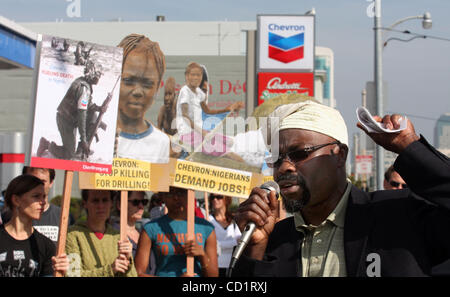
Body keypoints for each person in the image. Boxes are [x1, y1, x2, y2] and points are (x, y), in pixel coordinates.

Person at [231, 100, 450, 277]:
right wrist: (256, 248)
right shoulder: (273, 239)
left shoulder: (399, 216)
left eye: (300, 154)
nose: (285, 167)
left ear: (339, 155)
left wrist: (410, 147)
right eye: (277, 159)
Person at [134, 186, 218, 277]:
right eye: (170, 193)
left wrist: (202, 255)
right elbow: (138, 273)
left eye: (181, 192)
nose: (176, 197)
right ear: (163, 196)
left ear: (190, 194)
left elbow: (213, 275)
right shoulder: (151, 228)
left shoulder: (206, 227)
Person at [115, 34, 170, 163]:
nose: (138, 92)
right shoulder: (95, 137)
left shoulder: (160, 143)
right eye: (128, 81)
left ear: (157, 88)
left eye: (147, 84)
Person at [36, 61, 107, 160]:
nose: (99, 78)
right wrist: (84, 140)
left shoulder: (83, 82)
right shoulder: (84, 89)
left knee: (93, 116)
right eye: (98, 75)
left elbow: (87, 104)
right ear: (92, 74)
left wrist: (98, 108)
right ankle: (46, 144)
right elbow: (82, 116)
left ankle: (80, 150)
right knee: (68, 155)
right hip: (65, 121)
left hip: (71, 119)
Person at [0, 175, 68, 277]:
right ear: (16, 200)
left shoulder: (46, 245)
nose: (43, 202)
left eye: (44, 196)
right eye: (36, 196)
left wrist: (60, 272)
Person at [175, 62, 244, 157]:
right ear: (187, 76)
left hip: (200, 134)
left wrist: (228, 109)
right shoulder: (185, 91)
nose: (196, 78)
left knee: (230, 142)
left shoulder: (199, 92)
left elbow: (208, 111)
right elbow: (185, 117)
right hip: (188, 135)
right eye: (193, 75)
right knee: (229, 153)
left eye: (198, 75)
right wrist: (203, 132)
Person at [65, 189, 136, 277]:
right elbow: (73, 274)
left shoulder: (118, 236)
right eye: (95, 201)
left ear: (111, 204)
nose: (101, 206)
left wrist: (128, 260)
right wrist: (110, 270)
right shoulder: (73, 234)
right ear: (85, 204)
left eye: (105, 200)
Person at [208, 193, 241, 277]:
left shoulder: (234, 220)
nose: (215, 200)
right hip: (215, 267)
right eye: (212, 197)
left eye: (219, 197)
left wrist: (219, 244)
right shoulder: (208, 220)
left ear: (226, 199)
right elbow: (212, 245)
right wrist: (233, 242)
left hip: (232, 266)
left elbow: (240, 242)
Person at [113, 191, 148, 258]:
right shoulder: (112, 235)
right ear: (120, 205)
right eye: (135, 202)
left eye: (144, 202)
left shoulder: (143, 233)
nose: (141, 206)